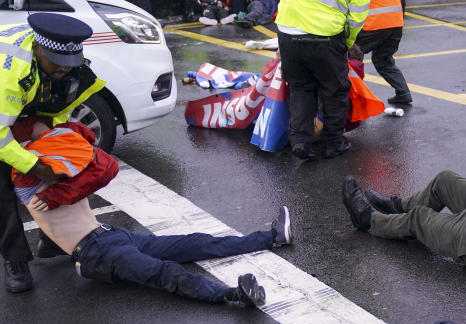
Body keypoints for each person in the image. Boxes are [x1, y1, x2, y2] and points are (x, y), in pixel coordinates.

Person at [20, 123, 290, 305]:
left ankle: (272, 237)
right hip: (95, 253)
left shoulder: (60, 171)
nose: (49, 135)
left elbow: (83, 149)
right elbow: (40, 133)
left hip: (113, 236)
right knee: (164, 273)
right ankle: (233, 295)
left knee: (196, 242)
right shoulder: (26, 182)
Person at [0, 14, 106, 293]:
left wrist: (50, 144)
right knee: (2, 189)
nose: (63, 69)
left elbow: (58, 111)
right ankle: (16, 259)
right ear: (37, 48)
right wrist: (36, 166)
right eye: (56, 62)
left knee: (66, 165)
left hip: (22, 104)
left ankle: (54, 236)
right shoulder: (8, 71)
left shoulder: (68, 66)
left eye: (69, 63)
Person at [276, 0, 372, 161]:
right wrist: (347, 44)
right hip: (324, 39)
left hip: (287, 33)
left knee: (301, 88)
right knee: (334, 90)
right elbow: (357, 16)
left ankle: (300, 141)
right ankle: (332, 144)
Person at [353, 0, 411, 106]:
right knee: (383, 59)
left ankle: (357, 98)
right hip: (395, 23)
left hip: (375, 24)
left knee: (351, 54)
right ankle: (403, 92)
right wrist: (399, 21)